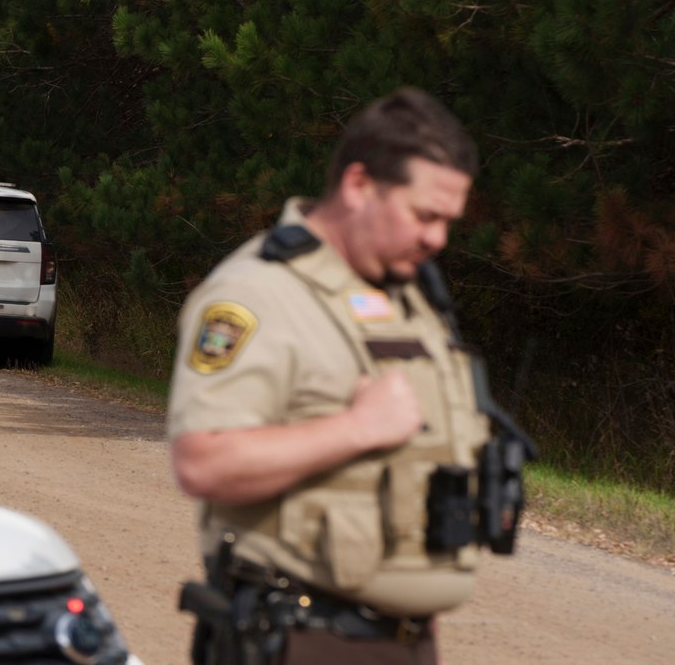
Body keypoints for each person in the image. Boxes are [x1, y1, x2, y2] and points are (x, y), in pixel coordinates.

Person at [170, 88, 532, 664]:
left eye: (448, 221)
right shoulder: (258, 294)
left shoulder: (408, 296)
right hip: (303, 639)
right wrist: (358, 428)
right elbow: (202, 461)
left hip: (400, 641)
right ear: (359, 185)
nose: (438, 239)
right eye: (425, 215)